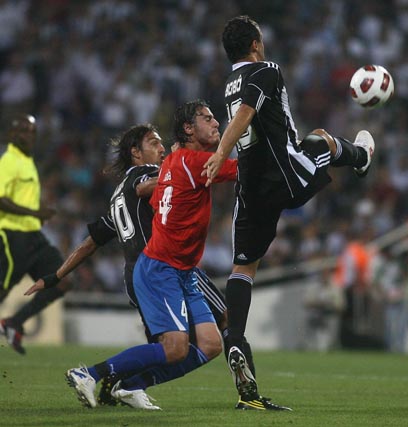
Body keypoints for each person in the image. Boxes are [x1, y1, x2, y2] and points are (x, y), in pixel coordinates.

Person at [25, 118, 259, 409]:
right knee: (217, 322)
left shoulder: (116, 196)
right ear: (135, 153)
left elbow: (90, 243)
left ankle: (126, 386)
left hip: (135, 275)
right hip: (165, 266)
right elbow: (145, 187)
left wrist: (55, 275)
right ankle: (247, 392)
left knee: (181, 344)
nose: (162, 148)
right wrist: (179, 168)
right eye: (154, 143)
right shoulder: (145, 174)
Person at [203, 15, 376, 405]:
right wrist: (219, 153)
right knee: (320, 139)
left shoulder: (228, 85)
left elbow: (241, 114)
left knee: (243, 268)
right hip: (284, 174)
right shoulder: (265, 70)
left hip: (250, 188)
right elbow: (248, 112)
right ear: (255, 44)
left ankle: (235, 339)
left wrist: (223, 153)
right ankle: (361, 156)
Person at [0, 113, 73, 355]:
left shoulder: (27, 160)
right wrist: (35, 212)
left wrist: (39, 213)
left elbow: (23, 197)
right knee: (3, 289)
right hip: (13, 235)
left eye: (32, 132)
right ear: (12, 134)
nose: (29, 136)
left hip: (33, 235)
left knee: (63, 280)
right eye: (23, 131)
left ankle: (14, 322)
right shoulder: (9, 160)